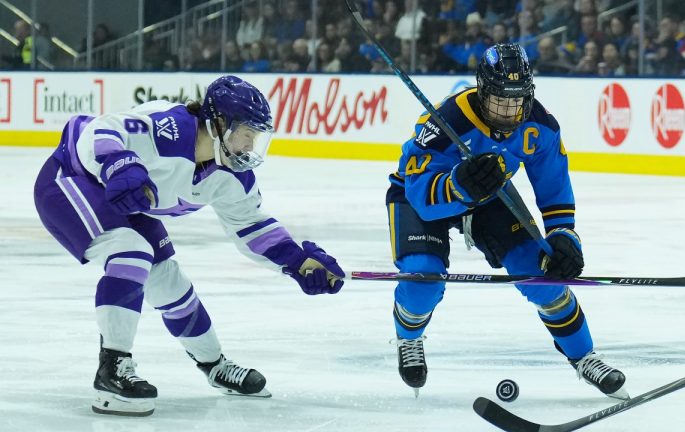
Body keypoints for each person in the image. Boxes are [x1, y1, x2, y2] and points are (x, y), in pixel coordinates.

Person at [33, 75, 345, 417]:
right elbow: (101, 130)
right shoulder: (170, 129)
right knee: (131, 252)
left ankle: (214, 365)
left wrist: (297, 262)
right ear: (219, 123)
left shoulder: (231, 174)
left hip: (126, 202)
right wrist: (118, 163)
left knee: (169, 281)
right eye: (247, 133)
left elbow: (251, 225)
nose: (251, 145)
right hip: (69, 179)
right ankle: (112, 369)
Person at [385, 43, 628, 399]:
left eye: (517, 100)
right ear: (482, 91)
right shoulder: (446, 122)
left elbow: (553, 185)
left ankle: (584, 356)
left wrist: (563, 234)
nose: (510, 111)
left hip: (489, 196)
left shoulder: (540, 125)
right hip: (420, 193)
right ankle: (409, 338)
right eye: (500, 100)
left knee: (542, 277)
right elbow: (420, 197)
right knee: (423, 279)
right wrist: (457, 186)